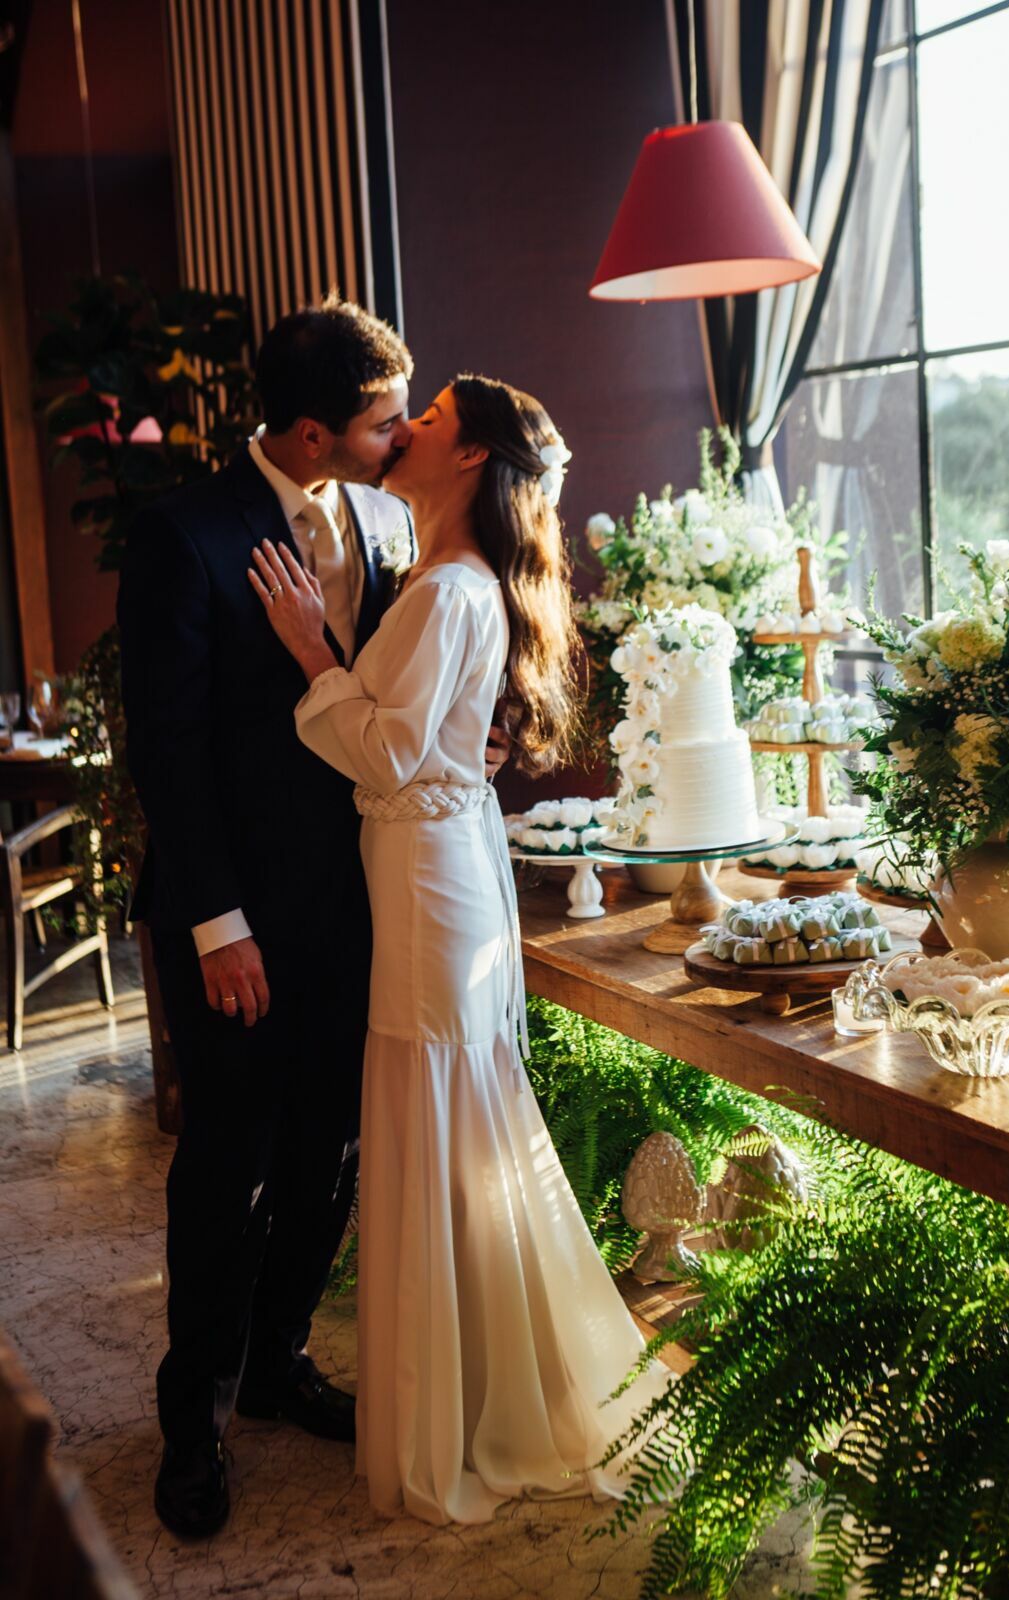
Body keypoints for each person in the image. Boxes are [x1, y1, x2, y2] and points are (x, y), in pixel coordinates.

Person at [118, 298, 508, 1540]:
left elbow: (401, 697)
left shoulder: (394, 522)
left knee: (327, 1156)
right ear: (306, 429)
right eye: (384, 420)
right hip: (237, 917)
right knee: (224, 1163)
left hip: (367, 904)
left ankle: (281, 1356)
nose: (400, 439)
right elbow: (167, 755)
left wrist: (465, 743)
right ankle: (197, 1417)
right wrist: (216, 923)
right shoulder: (183, 536)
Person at [250, 373, 671, 1526]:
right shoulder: (453, 582)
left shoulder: (445, 591)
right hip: (438, 874)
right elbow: (422, 744)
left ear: (473, 456)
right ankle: (490, 1385)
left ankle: (472, 1411)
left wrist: (309, 651)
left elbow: (384, 755)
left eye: (428, 417)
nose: (407, 429)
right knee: (456, 1127)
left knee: (441, 1122)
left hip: (432, 888)